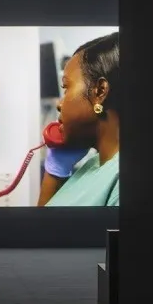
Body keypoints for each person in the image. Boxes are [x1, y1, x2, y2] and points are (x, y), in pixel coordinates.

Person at [38, 32, 120, 207]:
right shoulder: (93, 164)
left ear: (99, 92)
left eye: (66, 88)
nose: (60, 104)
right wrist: (55, 172)